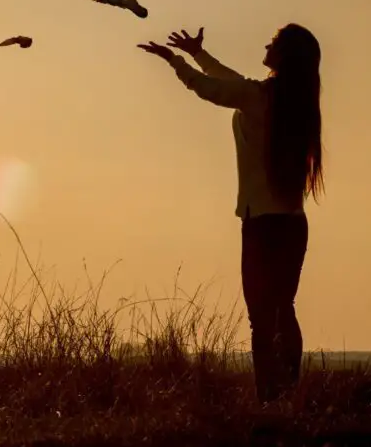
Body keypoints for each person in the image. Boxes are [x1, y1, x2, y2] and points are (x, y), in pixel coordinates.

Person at [137, 25, 325, 404]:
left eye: (273, 42)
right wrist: (198, 55)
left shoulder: (259, 98)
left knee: (261, 317)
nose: (266, 44)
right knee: (283, 308)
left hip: (262, 224)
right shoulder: (292, 101)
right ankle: (288, 392)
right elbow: (233, 81)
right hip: (291, 222)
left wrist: (175, 60)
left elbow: (211, 89)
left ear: (284, 56)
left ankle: (268, 397)